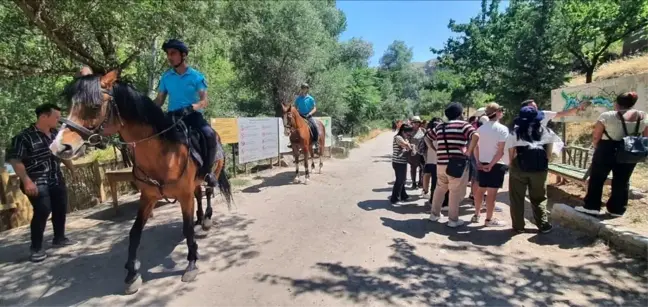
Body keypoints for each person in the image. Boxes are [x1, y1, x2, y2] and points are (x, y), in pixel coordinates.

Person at [6, 103, 77, 262]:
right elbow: (15, 160)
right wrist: (27, 181)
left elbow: (63, 153)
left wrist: (72, 170)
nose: (59, 120)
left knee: (60, 207)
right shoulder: (23, 137)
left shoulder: (56, 134)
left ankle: (59, 238)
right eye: (56, 117)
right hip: (36, 179)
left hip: (55, 176)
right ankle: (36, 248)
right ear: (44, 117)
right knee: (43, 210)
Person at [154, 39, 218, 187]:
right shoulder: (166, 77)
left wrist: (192, 107)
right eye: (168, 54)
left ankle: (208, 172)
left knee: (210, 135)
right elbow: (159, 100)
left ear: (183, 55)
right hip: (172, 117)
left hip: (192, 116)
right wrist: (146, 108)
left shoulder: (196, 77)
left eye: (173, 53)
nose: (169, 57)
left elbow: (204, 101)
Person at [577, 92, 648, 217]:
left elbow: (596, 135)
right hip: (631, 149)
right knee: (622, 180)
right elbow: (646, 135)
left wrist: (596, 146)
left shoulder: (607, 115)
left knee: (597, 178)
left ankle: (592, 206)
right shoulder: (643, 116)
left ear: (617, 103)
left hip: (607, 148)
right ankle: (617, 209)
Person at [506, 106, 559, 234]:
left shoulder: (514, 133)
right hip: (539, 169)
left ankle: (518, 226)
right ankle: (543, 225)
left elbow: (511, 155)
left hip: (519, 168)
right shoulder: (547, 132)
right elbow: (548, 155)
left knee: (517, 197)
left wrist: (513, 165)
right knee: (539, 197)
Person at [428, 103, 479, 227]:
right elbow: (476, 136)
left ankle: (434, 214)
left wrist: (434, 148)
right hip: (456, 163)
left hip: (440, 162)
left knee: (440, 188)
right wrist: (469, 151)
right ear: (460, 114)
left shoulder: (440, 127)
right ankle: (453, 220)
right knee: (454, 191)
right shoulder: (464, 125)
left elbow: (427, 137)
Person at [473, 103, 509, 226]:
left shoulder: (480, 129)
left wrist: (478, 161)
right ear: (497, 112)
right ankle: (489, 219)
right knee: (492, 193)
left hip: (482, 162)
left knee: (480, 190)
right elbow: (500, 151)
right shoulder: (503, 129)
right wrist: (492, 164)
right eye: (501, 110)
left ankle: (476, 214)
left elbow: (475, 148)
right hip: (497, 164)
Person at [423, 118, 449, 210]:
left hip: (431, 161)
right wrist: (436, 149)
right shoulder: (440, 133)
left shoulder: (429, 133)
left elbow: (427, 142)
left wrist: (433, 149)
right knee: (441, 184)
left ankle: (432, 201)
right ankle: (442, 203)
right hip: (439, 162)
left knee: (435, 183)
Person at [288, 83, 319, 150]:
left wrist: (310, 113)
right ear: (301, 89)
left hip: (308, 115)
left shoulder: (310, 98)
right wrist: (296, 113)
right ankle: (292, 142)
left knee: (315, 126)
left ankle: (316, 142)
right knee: (293, 127)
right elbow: (295, 108)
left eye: (305, 88)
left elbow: (314, 108)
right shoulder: (298, 98)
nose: (303, 89)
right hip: (300, 116)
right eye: (302, 88)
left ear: (307, 89)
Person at [391, 124, 414, 204]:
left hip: (402, 162)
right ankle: (394, 199)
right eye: (408, 133)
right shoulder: (398, 137)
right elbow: (407, 145)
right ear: (403, 131)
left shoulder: (404, 138)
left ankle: (404, 196)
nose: (409, 135)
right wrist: (410, 147)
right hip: (398, 162)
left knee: (402, 179)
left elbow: (408, 146)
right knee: (399, 180)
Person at [408, 116, 425, 190]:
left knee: (422, 168)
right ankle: (413, 182)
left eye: (417, 122)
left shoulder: (423, 130)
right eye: (414, 122)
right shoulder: (409, 131)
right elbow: (407, 141)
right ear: (412, 123)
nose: (416, 124)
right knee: (413, 168)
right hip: (413, 153)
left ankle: (420, 182)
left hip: (422, 152)